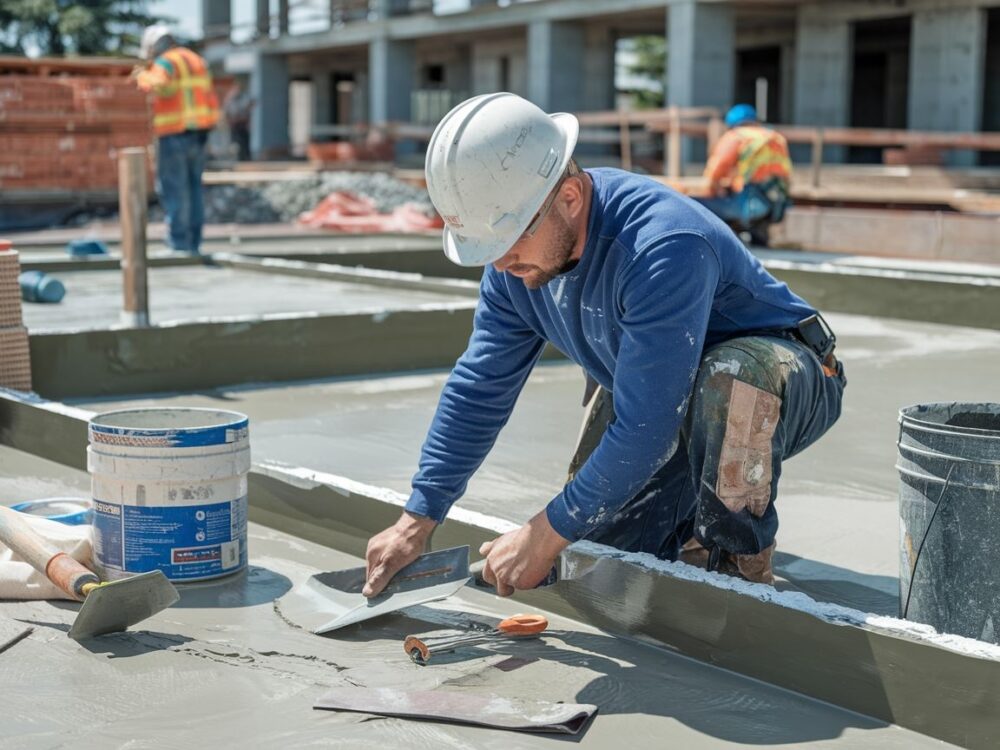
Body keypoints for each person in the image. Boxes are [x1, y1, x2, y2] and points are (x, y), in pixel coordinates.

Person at [362, 93, 845, 599]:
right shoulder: (512, 267)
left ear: (569, 197)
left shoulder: (660, 245)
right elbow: (479, 388)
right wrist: (417, 519)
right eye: (488, 249)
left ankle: (739, 571)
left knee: (728, 377)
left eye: (509, 242)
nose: (500, 263)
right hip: (666, 391)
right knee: (603, 552)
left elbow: (645, 430)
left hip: (783, 378)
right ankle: (685, 528)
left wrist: (541, 533)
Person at [134, 25, 220, 254]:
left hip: (174, 134)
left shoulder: (166, 62)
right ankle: (193, 243)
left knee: (175, 189)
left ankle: (179, 244)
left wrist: (143, 75)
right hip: (200, 133)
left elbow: (158, 84)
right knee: (193, 189)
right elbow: (209, 96)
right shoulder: (196, 60)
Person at [695, 104, 792, 247]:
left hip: (750, 203)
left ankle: (721, 242)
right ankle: (756, 234)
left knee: (696, 204)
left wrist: (711, 189)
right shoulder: (776, 137)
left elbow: (717, 169)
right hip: (776, 204)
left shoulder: (736, 136)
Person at [224, 80, 254, 162]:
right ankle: (237, 158)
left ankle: (246, 158)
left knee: (245, 142)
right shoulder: (229, 99)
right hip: (234, 125)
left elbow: (249, 106)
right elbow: (227, 112)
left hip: (242, 124)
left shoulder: (244, 97)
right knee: (235, 143)